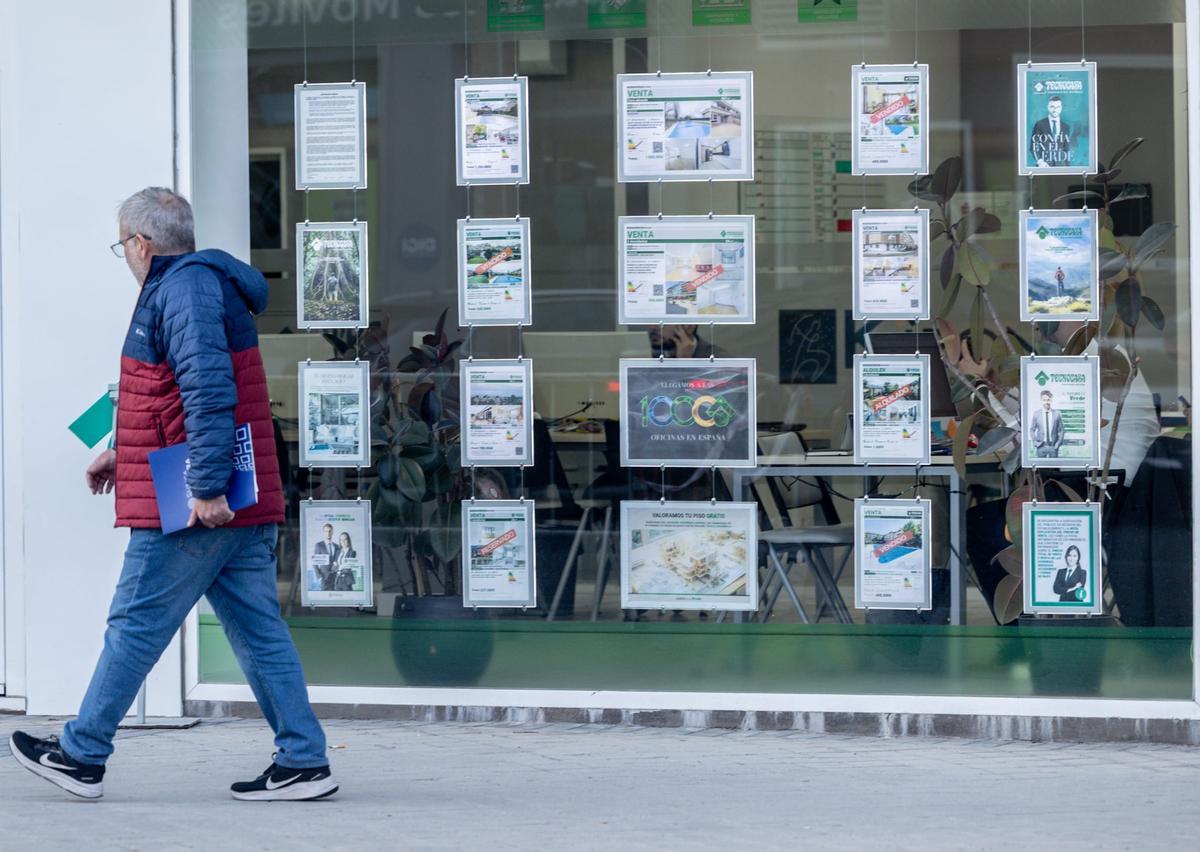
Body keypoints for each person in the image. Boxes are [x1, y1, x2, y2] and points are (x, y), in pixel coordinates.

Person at [9, 188, 336, 802]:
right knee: (258, 632)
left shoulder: (183, 289)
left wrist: (207, 488)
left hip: (194, 501)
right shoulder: (197, 284)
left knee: (134, 623)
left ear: (141, 243)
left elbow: (208, 392)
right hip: (228, 493)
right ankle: (303, 760)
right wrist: (123, 452)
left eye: (122, 245)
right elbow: (168, 396)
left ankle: (81, 755)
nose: (125, 257)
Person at [1030, 94, 1072, 168]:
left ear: (1061, 108)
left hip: (1061, 168)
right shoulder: (1039, 124)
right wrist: (1040, 162)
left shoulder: (1066, 127)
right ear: (1048, 107)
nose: (1055, 110)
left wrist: (1067, 168)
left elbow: (1066, 149)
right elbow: (1033, 147)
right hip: (1043, 167)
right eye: (1052, 107)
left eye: (1057, 107)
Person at [1028, 389, 1064, 458]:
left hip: (1053, 446)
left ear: (1051, 400)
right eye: (1044, 400)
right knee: (1041, 464)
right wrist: (1035, 442)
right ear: (1041, 400)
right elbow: (1032, 429)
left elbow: (1061, 430)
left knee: (1054, 464)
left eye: (1048, 400)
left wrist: (1058, 443)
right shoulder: (1036, 414)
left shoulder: (1057, 414)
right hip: (1041, 446)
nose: (1046, 402)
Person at [311, 522, 341, 591]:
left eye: (330, 531)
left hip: (335, 577)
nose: (328, 533)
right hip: (324, 577)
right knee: (323, 595)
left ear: (332, 532)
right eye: (326, 531)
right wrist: (319, 577)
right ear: (323, 532)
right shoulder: (319, 545)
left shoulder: (336, 546)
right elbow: (314, 563)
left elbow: (337, 561)